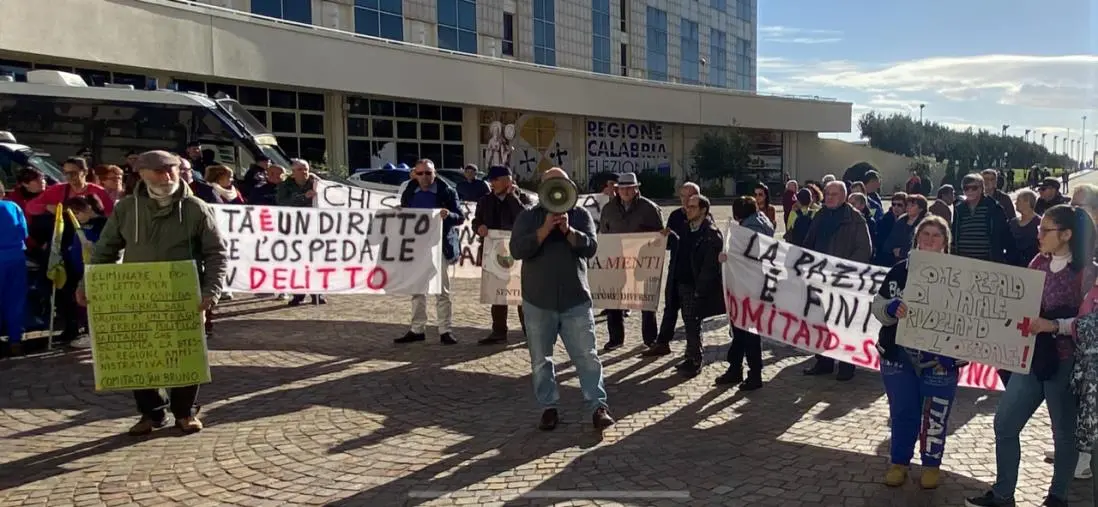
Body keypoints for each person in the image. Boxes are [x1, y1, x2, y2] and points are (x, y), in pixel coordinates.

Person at [76, 150, 228, 435]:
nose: (166, 176)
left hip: (184, 295)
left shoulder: (196, 207)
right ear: (141, 175)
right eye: (158, 171)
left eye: (170, 170)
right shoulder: (126, 208)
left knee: (186, 352)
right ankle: (151, 413)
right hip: (140, 293)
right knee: (141, 354)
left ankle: (185, 412)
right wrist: (87, 283)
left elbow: (216, 253)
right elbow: (106, 249)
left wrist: (211, 291)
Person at [966, 205, 1097, 507]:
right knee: (1005, 423)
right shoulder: (1038, 262)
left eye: (1045, 229)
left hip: (1066, 362)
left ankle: (1057, 497)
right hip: (1031, 357)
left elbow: (1090, 323)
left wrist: (1053, 325)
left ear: (1066, 235)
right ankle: (1003, 494)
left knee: (1063, 433)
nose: (1038, 234)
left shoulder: (1088, 273)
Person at [510, 167, 614, 431]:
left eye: (561, 183)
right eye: (550, 183)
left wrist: (569, 232)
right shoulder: (528, 216)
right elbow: (517, 249)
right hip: (538, 299)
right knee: (540, 359)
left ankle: (598, 407)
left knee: (587, 356)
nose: (556, 188)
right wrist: (544, 230)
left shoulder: (579, 215)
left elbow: (591, 247)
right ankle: (549, 408)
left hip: (575, 299)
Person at [872, 216, 962, 490]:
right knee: (902, 413)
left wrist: (957, 353)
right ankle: (899, 462)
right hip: (899, 357)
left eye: (937, 236)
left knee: (936, 416)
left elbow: (972, 323)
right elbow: (878, 305)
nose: (930, 240)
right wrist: (889, 309)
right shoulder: (899, 271)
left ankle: (931, 465)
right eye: (925, 235)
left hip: (940, 361)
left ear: (946, 242)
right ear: (916, 239)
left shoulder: (962, 276)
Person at [801, 181, 873, 381]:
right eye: (827, 194)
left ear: (843, 196)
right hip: (821, 278)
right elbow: (809, 242)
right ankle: (823, 361)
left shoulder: (855, 219)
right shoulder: (820, 216)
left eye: (834, 194)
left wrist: (844, 271)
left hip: (844, 281)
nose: (829, 197)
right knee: (821, 322)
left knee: (844, 324)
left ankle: (846, 365)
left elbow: (864, 250)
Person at [394, 159, 464, 345]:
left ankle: (445, 330)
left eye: (428, 173)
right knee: (417, 289)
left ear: (435, 173)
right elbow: (407, 213)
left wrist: (449, 216)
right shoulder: (410, 190)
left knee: (442, 290)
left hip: (439, 246)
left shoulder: (447, 191)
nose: (425, 177)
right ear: (414, 174)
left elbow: (460, 217)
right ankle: (417, 329)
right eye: (421, 173)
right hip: (416, 246)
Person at [597, 172, 664, 351]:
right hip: (616, 261)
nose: (626, 191)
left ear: (636, 189)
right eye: (622, 188)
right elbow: (603, 233)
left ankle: (650, 339)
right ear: (617, 190)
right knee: (613, 300)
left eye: (630, 188)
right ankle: (616, 338)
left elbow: (661, 235)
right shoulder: (608, 209)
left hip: (642, 261)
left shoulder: (649, 208)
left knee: (646, 301)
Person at [716, 195, 771, 387]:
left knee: (747, 331)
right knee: (742, 329)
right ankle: (736, 368)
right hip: (754, 284)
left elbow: (745, 257)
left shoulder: (749, 229)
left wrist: (727, 257)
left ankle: (753, 374)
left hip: (747, 286)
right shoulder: (762, 221)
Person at [472, 165, 531, 344]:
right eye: (491, 180)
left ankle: (529, 330)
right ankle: (498, 331)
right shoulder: (485, 201)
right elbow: (477, 220)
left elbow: (525, 218)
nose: (492, 183)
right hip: (493, 253)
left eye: (496, 180)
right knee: (497, 293)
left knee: (521, 293)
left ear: (507, 180)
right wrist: (478, 228)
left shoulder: (523, 198)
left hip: (518, 254)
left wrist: (513, 197)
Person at [642, 182, 699, 357]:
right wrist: (663, 238)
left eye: (690, 196)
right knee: (670, 307)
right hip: (675, 267)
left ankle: (693, 353)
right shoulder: (675, 216)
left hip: (692, 272)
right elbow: (667, 246)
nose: (686, 200)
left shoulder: (702, 216)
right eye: (682, 196)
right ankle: (663, 342)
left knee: (691, 315)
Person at [276, 159, 326, 306]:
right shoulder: (285, 186)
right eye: (300, 169)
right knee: (298, 263)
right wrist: (304, 197)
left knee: (315, 262)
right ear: (293, 172)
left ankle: (317, 293)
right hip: (294, 230)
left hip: (314, 229)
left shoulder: (317, 183)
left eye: (305, 169)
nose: (304, 172)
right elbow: (282, 202)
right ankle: (299, 293)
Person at [952, 173, 1012, 265]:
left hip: (988, 262)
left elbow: (1005, 235)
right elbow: (955, 235)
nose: (970, 191)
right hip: (963, 262)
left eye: (974, 188)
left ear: (981, 188)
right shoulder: (959, 209)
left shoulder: (994, 208)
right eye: (966, 188)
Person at [28, 157, 115, 217]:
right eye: (66, 173)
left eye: (73, 173)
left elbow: (110, 216)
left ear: (85, 172)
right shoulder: (58, 189)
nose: (69, 177)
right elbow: (30, 207)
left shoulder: (99, 192)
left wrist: (94, 216)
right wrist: (46, 207)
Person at [0, 182, 28, 357]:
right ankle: (15, 340)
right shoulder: (13, 207)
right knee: (15, 299)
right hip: (16, 257)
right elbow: (24, 232)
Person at [885, 194, 927, 262]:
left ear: (921, 209)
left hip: (915, 261)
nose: (908, 207)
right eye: (908, 205)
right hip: (895, 260)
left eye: (912, 205)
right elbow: (890, 241)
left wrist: (902, 252)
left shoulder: (924, 224)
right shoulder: (901, 221)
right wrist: (892, 249)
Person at [1008, 189, 1040, 268]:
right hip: (1013, 266)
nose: (1015, 203)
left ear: (1027, 202)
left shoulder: (1039, 223)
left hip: (1032, 266)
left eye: (1018, 201)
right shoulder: (1013, 223)